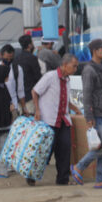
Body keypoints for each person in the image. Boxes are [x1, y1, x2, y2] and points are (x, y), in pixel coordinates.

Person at [71, 39, 102, 189]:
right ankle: (78, 167)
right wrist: (89, 117)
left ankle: (100, 180)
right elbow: (86, 95)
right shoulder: (88, 70)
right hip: (96, 114)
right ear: (95, 51)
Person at [31, 53, 83, 186]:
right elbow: (35, 92)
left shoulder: (67, 79)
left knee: (65, 149)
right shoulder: (50, 76)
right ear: (65, 65)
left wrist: (74, 107)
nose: (75, 69)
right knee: (45, 151)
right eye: (74, 66)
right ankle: (32, 175)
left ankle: (62, 179)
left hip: (63, 119)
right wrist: (37, 110)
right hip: (49, 119)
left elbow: (63, 97)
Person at [0, 44, 26, 116]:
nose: (9, 61)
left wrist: (24, 108)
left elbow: (20, 90)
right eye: (6, 59)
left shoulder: (17, 69)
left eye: (11, 59)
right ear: (1, 55)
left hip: (12, 108)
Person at [15, 35, 42, 115]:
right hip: (30, 96)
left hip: (19, 97)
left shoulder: (16, 59)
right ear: (30, 45)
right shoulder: (32, 58)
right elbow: (38, 77)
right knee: (30, 120)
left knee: (22, 120)